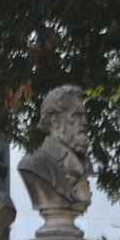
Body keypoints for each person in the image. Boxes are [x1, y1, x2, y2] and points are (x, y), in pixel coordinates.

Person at [18, 85, 92, 216]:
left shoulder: (84, 164)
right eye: (76, 115)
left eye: (84, 115)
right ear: (55, 121)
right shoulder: (35, 163)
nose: (84, 122)